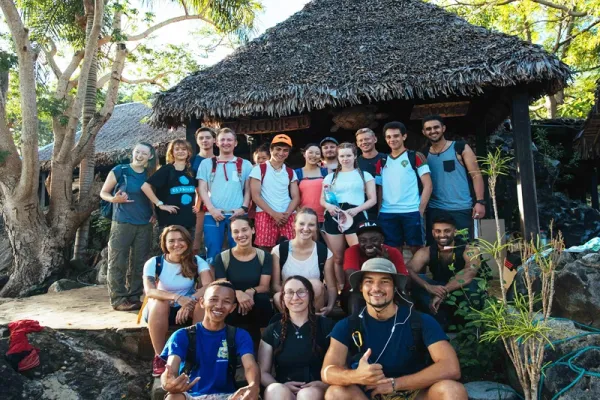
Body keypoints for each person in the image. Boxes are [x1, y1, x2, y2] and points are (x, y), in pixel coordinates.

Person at [321, 258, 467, 400]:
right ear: (361, 287)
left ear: (395, 287)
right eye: (369, 282)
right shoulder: (347, 325)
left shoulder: (420, 321)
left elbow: (450, 367)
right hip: (369, 394)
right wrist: (357, 376)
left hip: (413, 392)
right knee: (335, 393)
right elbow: (327, 372)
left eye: (384, 282)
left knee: (452, 390)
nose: (376, 288)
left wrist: (395, 384)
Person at [160, 280, 260, 400]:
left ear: (233, 308)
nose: (219, 305)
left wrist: (254, 385)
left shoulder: (240, 335)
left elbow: (250, 365)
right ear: (202, 302)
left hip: (229, 396)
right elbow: (171, 368)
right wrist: (168, 383)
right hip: (191, 395)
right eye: (213, 299)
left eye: (226, 302)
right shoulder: (182, 335)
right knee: (173, 397)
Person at [142, 225, 213, 377]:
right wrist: (177, 298)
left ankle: (196, 353)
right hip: (159, 311)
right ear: (164, 244)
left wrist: (190, 302)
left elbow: (209, 286)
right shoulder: (154, 263)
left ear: (187, 242)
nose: (176, 244)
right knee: (159, 302)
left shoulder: (197, 261)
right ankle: (160, 357)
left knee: (202, 304)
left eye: (181, 240)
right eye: (171, 241)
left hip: (187, 308)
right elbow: (150, 291)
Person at [100, 142, 157, 311]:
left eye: (144, 153)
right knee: (117, 261)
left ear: (150, 156)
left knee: (140, 262)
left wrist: (155, 212)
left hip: (145, 223)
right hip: (122, 222)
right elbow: (103, 192)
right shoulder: (120, 170)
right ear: (132, 152)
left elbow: (152, 195)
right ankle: (118, 299)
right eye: (137, 152)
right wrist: (113, 199)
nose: (139, 156)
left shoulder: (150, 173)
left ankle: (134, 296)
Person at [259, 276, 334, 400]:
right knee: (275, 390)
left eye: (301, 292)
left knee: (307, 395)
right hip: (283, 389)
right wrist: (280, 385)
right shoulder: (273, 329)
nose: (295, 298)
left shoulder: (327, 326)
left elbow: (340, 364)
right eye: (289, 292)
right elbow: (263, 372)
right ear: (283, 297)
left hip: (315, 389)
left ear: (310, 295)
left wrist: (324, 384)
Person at [407, 214, 481, 329]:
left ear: (455, 232)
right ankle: (435, 322)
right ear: (433, 233)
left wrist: (445, 291)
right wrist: (427, 286)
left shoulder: (469, 250)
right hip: (437, 289)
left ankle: (469, 325)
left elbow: (469, 272)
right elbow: (408, 269)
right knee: (416, 281)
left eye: (447, 231)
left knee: (472, 285)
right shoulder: (426, 251)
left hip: (459, 289)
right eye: (438, 231)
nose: (442, 235)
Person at [321, 142, 376, 293]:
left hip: (355, 215)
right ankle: (342, 288)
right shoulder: (330, 177)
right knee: (338, 257)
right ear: (338, 158)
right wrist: (329, 207)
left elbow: (372, 199)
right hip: (334, 216)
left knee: (359, 252)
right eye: (342, 156)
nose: (345, 159)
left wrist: (357, 209)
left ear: (354, 156)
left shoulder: (365, 175)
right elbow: (322, 200)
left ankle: (362, 285)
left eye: (348, 155)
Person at [422, 115, 486, 243]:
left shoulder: (460, 148)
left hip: (461, 208)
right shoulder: (424, 154)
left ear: (443, 128)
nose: (433, 131)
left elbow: (476, 175)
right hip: (435, 209)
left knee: (465, 247)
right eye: (428, 129)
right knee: (436, 249)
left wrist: (480, 201)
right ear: (424, 132)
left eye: (436, 127)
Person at [212, 216, 274, 344]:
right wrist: (238, 293)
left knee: (262, 300)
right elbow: (222, 285)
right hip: (232, 300)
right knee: (228, 304)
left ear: (253, 230)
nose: (241, 235)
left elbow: (265, 286)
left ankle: (263, 347)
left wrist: (250, 291)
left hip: (256, 303)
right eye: (236, 231)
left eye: (244, 230)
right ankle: (228, 348)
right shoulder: (222, 258)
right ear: (231, 234)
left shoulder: (264, 256)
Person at [377, 121, 432, 255]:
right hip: (387, 212)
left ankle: (420, 276)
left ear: (404, 137)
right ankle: (399, 276)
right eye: (389, 137)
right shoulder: (382, 161)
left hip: (411, 210)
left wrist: (420, 209)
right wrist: (379, 210)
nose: (392, 139)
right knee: (393, 251)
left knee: (416, 248)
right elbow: (380, 188)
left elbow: (428, 184)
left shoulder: (415, 156)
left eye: (396, 136)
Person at [198, 128, 253, 263]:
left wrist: (244, 208)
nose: (226, 143)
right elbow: (202, 188)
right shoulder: (206, 163)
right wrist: (211, 209)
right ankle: (213, 283)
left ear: (235, 143)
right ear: (216, 142)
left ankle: (238, 282)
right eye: (222, 139)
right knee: (213, 252)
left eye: (229, 140)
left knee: (240, 250)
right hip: (213, 214)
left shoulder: (245, 164)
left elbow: (248, 189)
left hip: (238, 214)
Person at [272, 208, 337, 316]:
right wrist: (295, 295)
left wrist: (330, 307)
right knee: (277, 297)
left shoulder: (324, 252)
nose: (306, 228)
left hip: (315, 298)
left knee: (316, 284)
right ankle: (291, 326)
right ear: (294, 225)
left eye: (311, 224)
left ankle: (313, 324)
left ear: (316, 227)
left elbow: (331, 286)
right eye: (301, 224)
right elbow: (275, 285)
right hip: (290, 298)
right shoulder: (279, 250)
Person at [341, 221, 408, 316]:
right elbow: (352, 279)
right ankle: (355, 326)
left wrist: (386, 263)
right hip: (357, 293)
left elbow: (404, 282)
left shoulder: (393, 252)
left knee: (404, 295)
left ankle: (408, 324)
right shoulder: (352, 251)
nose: (368, 244)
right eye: (363, 241)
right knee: (355, 296)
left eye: (374, 240)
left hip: (386, 291)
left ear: (382, 239)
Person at [249, 134, 300, 251]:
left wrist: (287, 214)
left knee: (290, 249)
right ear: (271, 150)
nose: (281, 153)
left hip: (287, 215)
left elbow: (296, 197)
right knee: (265, 250)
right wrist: (274, 214)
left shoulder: (290, 172)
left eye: (285, 150)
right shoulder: (259, 169)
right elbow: (256, 197)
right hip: (265, 214)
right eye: (278, 149)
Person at [142, 139, 198, 238]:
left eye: (184, 149)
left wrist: (197, 204)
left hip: (189, 221)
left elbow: (199, 189)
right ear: (172, 153)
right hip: (169, 221)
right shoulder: (166, 170)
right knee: (169, 252)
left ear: (189, 152)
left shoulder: (192, 171)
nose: (180, 151)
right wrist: (160, 204)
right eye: (177, 149)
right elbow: (145, 186)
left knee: (187, 251)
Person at [191, 127, 216, 255]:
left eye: (208, 137)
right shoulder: (191, 162)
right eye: (201, 138)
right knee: (195, 243)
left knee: (216, 243)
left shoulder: (220, 161)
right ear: (197, 141)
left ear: (214, 140)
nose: (204, 140)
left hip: (217, 206)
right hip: (198, 208)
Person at [295, 144, 328, 238]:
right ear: (304, 154)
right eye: (310, 152)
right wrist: (300, 215)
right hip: (305, 219)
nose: (314, 155)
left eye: (317, 153)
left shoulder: (325, 172)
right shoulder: (297, 173)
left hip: (325, 218)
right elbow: (294, 197)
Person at [356, 128, 384, 220]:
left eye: (367, 139)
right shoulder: (354, 163)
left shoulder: (387, 159)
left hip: (387, 207)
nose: (364, 142)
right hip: (362, 207)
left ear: (375, 139)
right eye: (361, 140)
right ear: (357, 144)